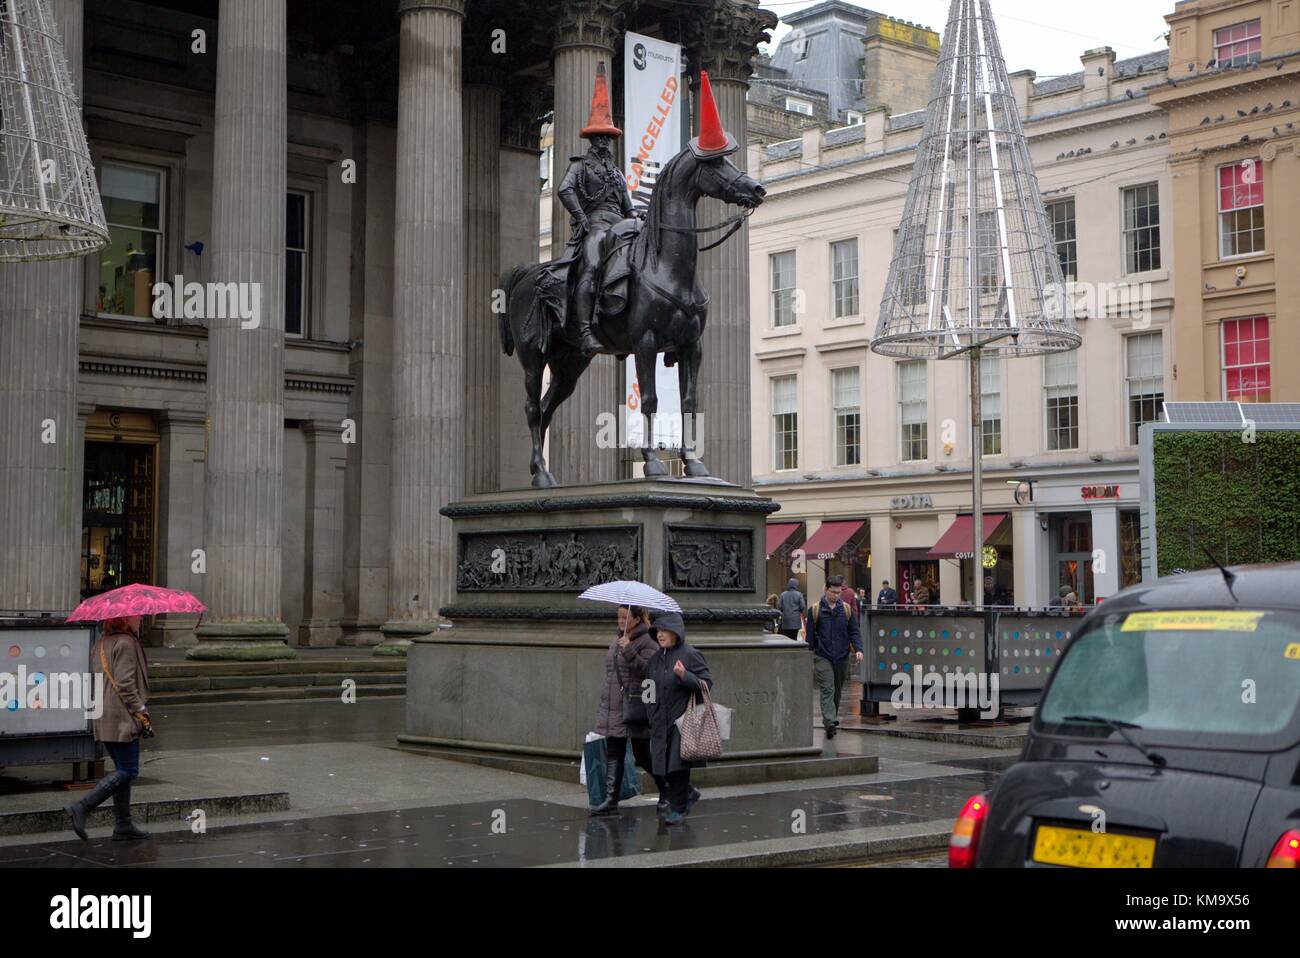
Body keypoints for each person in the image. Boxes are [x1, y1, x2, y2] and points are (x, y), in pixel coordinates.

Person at [554, 62, 635, 357]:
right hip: (596, 224)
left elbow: (628, 207)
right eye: (600, 137)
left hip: (621, 225)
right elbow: (564, 189)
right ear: (591, 140)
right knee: (592, 264)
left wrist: (639, 221)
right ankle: (586, 329)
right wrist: (581, 217)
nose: (604, 142)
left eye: (608, 138)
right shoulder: (579, 166)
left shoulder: (617, 173)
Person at [65, 615, 152, 841]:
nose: (140, 618)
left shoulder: (101, 642)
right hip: (122, 716)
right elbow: (125, 683)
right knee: (129, 771)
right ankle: (82, 806)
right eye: (136, 615)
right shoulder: (126, 643)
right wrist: (140, 708)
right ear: (124, 619)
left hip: (105, 714)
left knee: (122, 769)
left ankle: (123, 825)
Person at [644, 609, 713, 826]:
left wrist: (686, 676)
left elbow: (706, 685)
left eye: (665, 630)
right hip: (658, 721)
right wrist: (649, 710)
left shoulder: (690, 655)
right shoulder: (654, 659)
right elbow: (649, 688)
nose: (660, 634)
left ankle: (678, 809)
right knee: (661, 767)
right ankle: (686, 797)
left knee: (678, 768)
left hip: (682, 722)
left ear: (676, 632)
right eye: (657, 631)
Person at [591, 605, 659, 816]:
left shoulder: (647, 641)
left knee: (643, 754)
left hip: (633, 706)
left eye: (624, 617)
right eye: (618, 617)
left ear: (637, 619)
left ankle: (674, 789)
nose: (620, 621)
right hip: (613, 705)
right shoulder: (618, 639)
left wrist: (629, 649)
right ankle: (611, 800)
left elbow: (650, 670)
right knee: (614, 751)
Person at [804, 575, 862, 739]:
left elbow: (854, 631)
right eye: (833, 592)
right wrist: (810, 656)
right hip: (822, 656)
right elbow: (809, 638)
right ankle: (829, 721)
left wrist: (859, 648)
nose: (836, 595)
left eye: (839, 592)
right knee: (827, 689)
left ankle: (831, 718)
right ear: (826, 590)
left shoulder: (846, 609)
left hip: (842, 656)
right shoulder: (815, 610)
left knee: (837, 691)